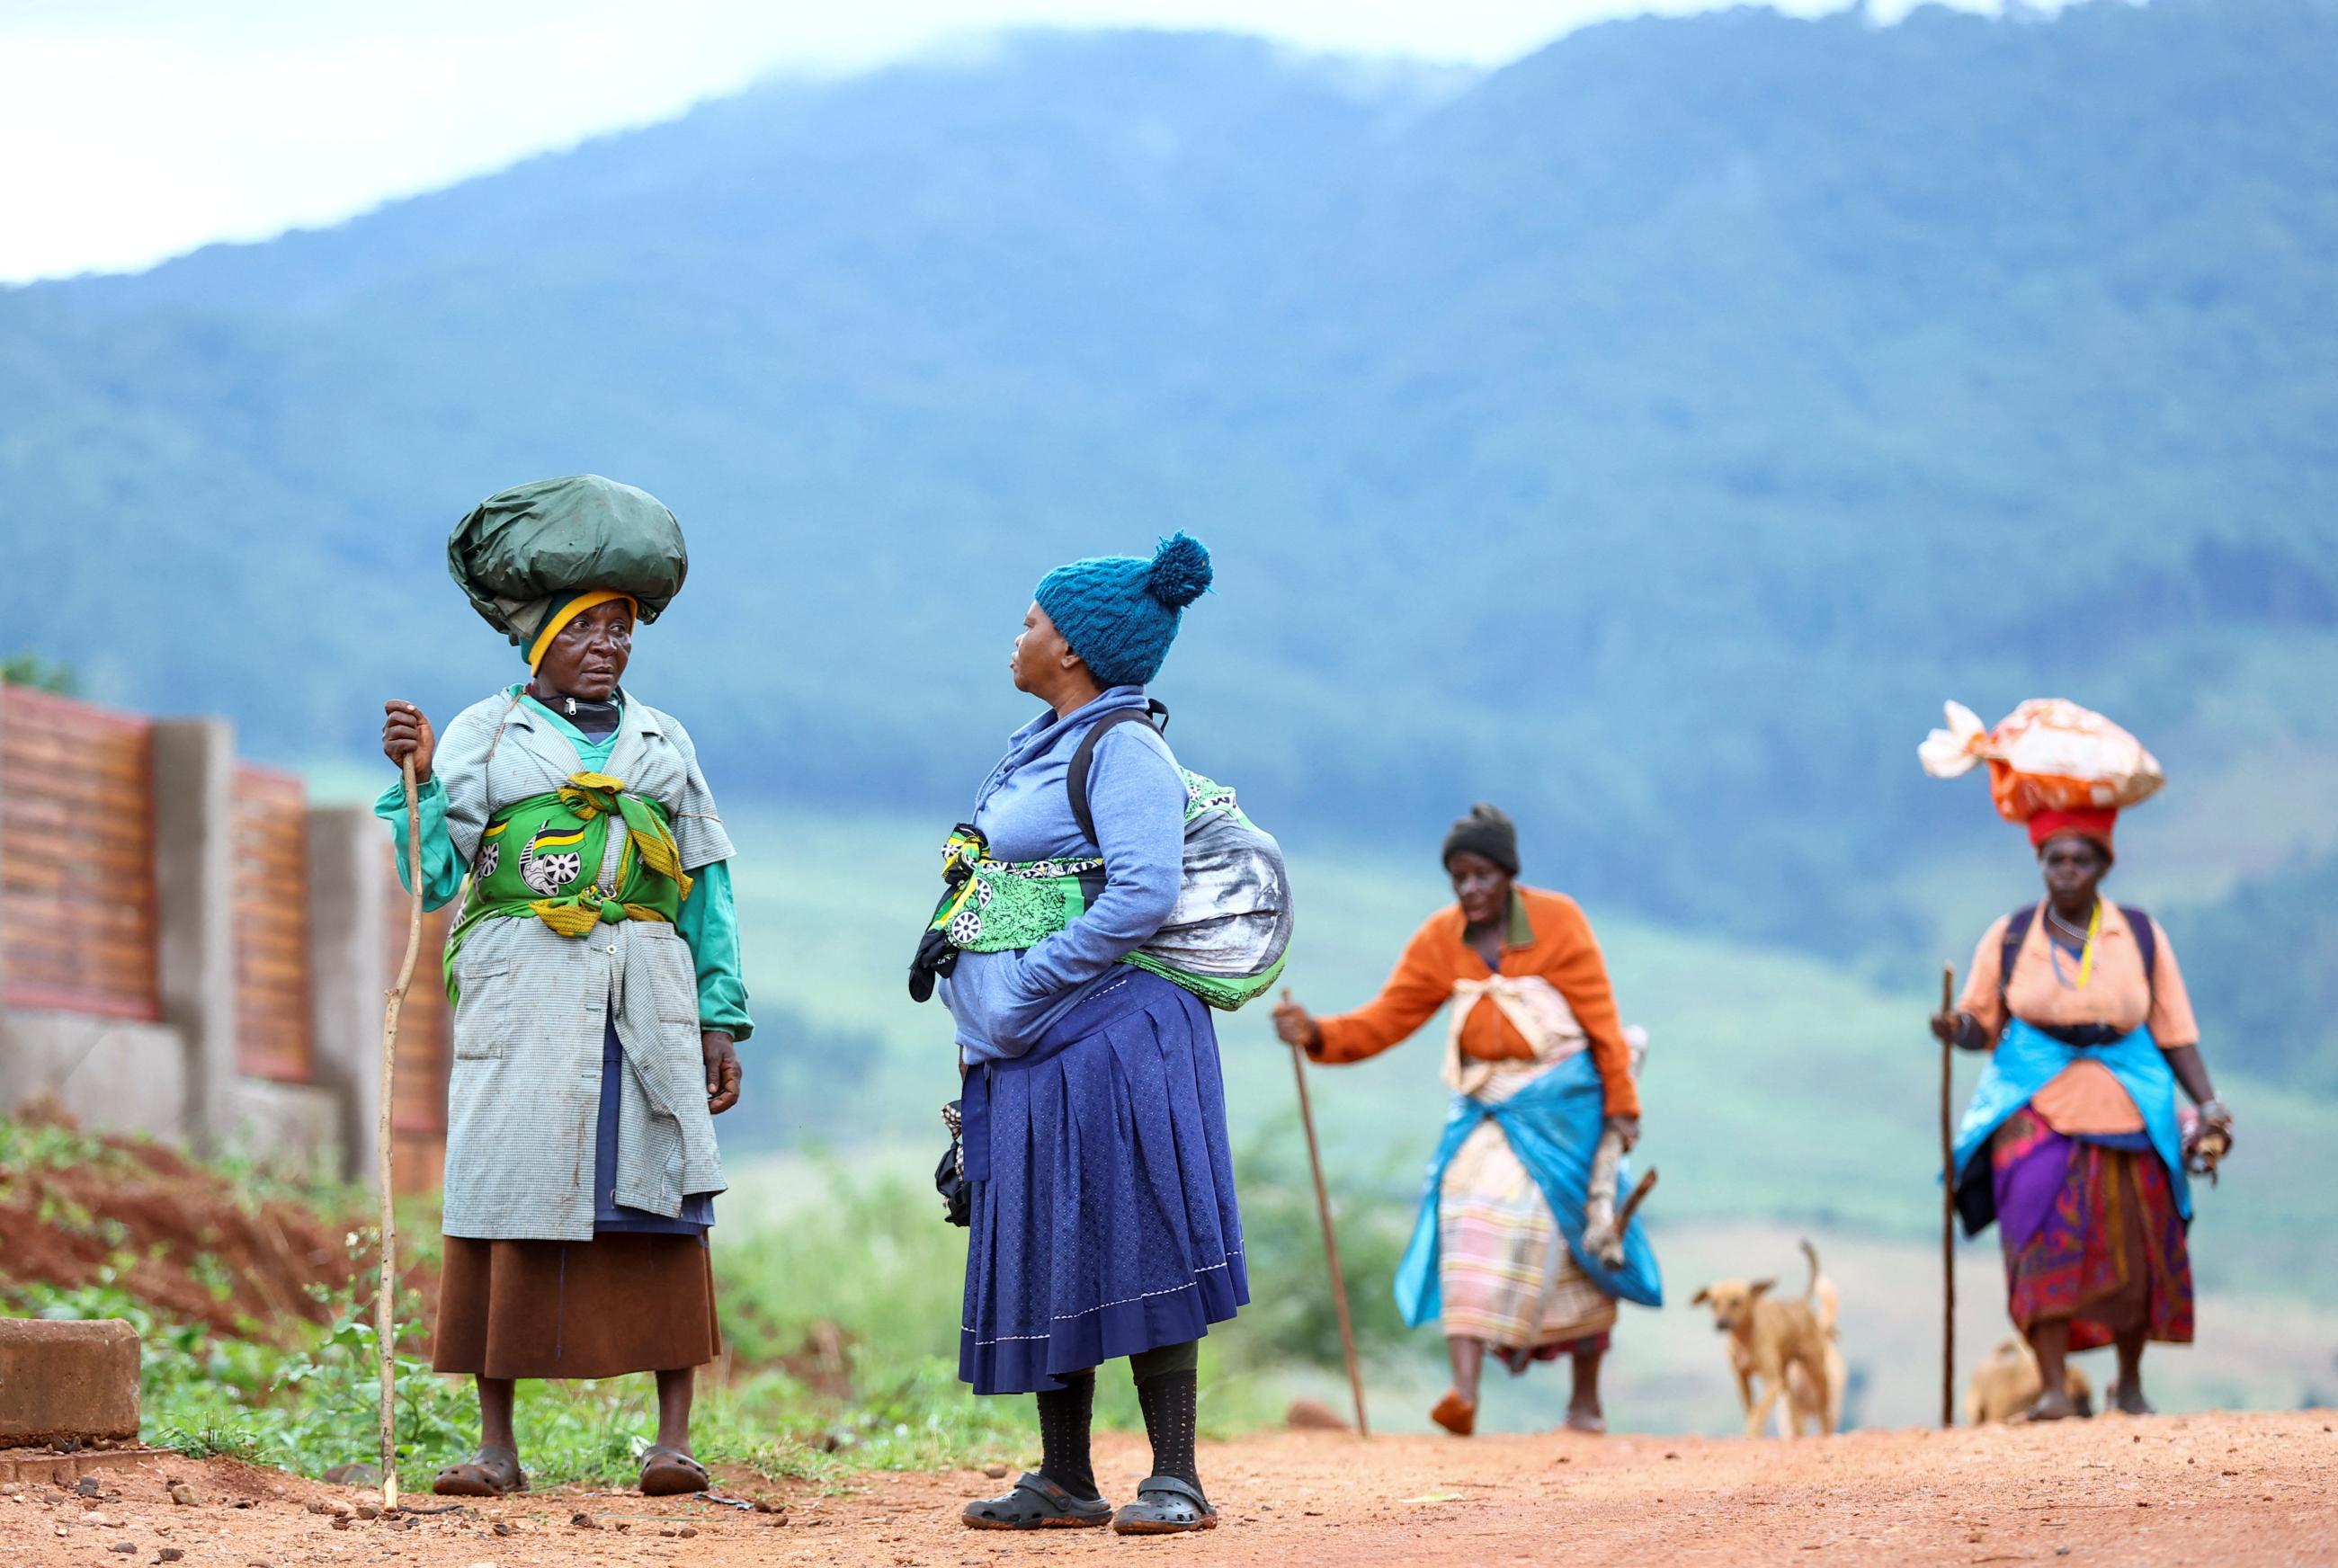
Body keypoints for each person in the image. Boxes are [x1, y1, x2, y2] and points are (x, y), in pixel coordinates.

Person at [378, 476, 748, 1497]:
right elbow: (435, 877)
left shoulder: (663, 742)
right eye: (589, 626)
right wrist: (410, 785)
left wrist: (719, 1018)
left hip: (649, 989)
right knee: (508, 1188)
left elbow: (706, 884)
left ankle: (672, 1441)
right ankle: (496, 1446)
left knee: (660, 1187)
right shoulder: (484, 736)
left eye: (622, 627)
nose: (610, 644)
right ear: (540, 637)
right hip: (521, 990)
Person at [938, 534, 1244, 1536]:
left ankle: (1177, 1477)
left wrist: (1028, 982)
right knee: (1045, 1233)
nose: (1018, 637)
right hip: (1033, 1043)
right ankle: (1064, 1478)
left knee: (1139, 1229)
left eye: (1031, 621)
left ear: (1070, 649)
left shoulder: (1125, 750)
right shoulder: (1043, 743)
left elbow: (1144, 889)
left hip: (1112, 1031)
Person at [1273, 805, 1659, 1437]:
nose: (1470, 889)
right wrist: (1318, 1033)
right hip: (1489, 1109)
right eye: (1459, 877)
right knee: (1465, 1207)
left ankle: (1584, 1403)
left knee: (1580, 1233)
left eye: (1482, 875)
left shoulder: (1560, 925)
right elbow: (1387, 1019)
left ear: (1508, 874)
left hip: (1568, 1111)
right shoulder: (1440, 940)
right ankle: (1464, 1393)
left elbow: (1602, 1024)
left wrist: (1622, 1110)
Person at [1934, 805, 2230, 1420]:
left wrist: (2207, 1104)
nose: (2066, 871)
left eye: (2080, 860)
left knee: (2138, 1239)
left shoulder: (2140, 936)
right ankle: (2050, 1388)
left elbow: (2174, 1031)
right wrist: (1954, 1027)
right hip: (2033, 1098)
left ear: (2102, 867)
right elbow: (1979, 1021)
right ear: (2039, 866)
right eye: (2054, 860)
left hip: (2129, 1097)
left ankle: (2129, 1383)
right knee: (2033, 1228)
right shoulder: (2013, 935)